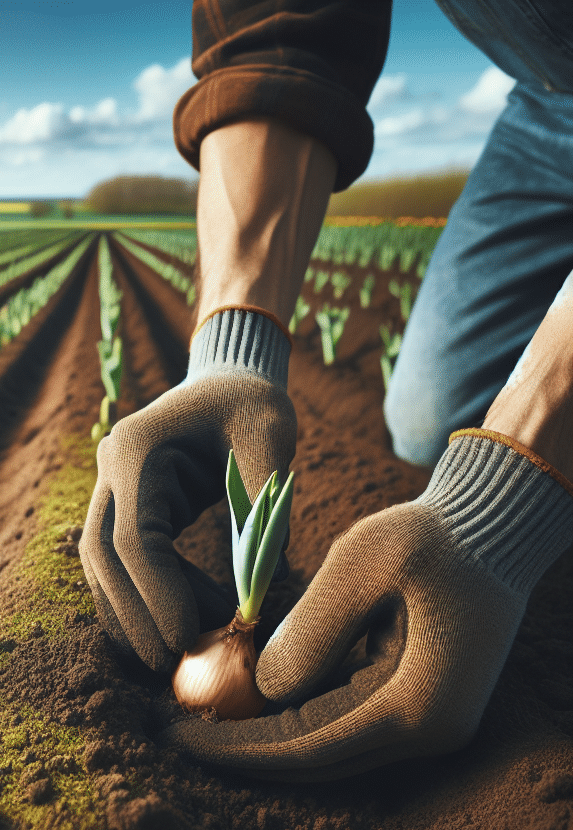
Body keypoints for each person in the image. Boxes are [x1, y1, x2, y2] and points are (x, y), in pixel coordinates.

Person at [79, 0, 573, 781]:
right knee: (432, 420)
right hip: (553, 102)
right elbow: (279, 27)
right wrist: (229, 350)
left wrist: (502, 506)